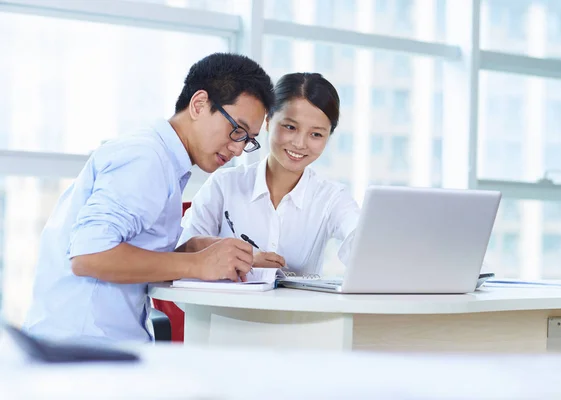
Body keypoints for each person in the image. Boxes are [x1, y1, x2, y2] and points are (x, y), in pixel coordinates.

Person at [23, 53, 274, 343]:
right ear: (199, 104)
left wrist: (190, 251)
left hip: (96, 345)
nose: (238, 149)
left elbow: (124, 250)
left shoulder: (163, 160)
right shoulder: (148, 159)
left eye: (248, 139)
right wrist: (197, 264)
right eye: (237, 130)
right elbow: (89, 256)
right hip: (82, 351)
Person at [179, 73, 360, 277]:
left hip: (295, 310)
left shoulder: (331, 197)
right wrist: (239, 257)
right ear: (268, 121)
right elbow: (181, 254)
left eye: (316, 134)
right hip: (223, 309)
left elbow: (361, 241)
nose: (300, 143)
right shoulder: (224, 185)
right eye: (290, 127)